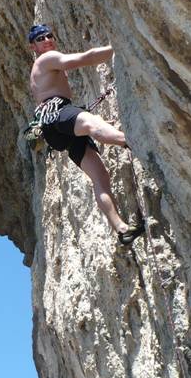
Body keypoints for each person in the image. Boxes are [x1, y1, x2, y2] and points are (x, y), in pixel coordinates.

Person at [28, 23, 145, 246]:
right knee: (93, 123)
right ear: (33, 46)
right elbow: (86, 58)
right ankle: (132, 142)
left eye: (49, 36)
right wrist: (117, 47)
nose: (47, 40)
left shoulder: (39, 69)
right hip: (57, 111)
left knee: (100, 177)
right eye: (40, 39)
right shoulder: (46, 59)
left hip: (53, 126)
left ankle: (122, 230)